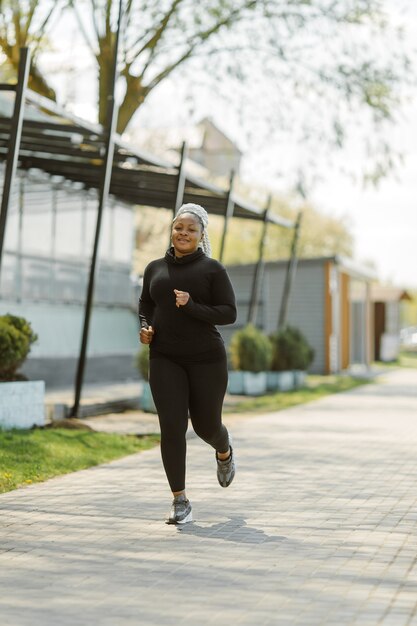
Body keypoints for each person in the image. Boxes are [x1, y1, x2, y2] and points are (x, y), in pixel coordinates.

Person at [138, 203, 237, 525]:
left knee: (206, 426)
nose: (183, 233)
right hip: (165, 356)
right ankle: (179, 500)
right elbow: (146, 303)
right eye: (179, 227)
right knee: (172, 427)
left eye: (191, 229)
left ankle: (224, 450)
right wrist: (146, 326)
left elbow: (228, 313)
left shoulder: (212, 270)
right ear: (172, 230)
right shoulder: (154, 268)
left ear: (201, 235)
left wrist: (192, 305)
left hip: (207, 359)